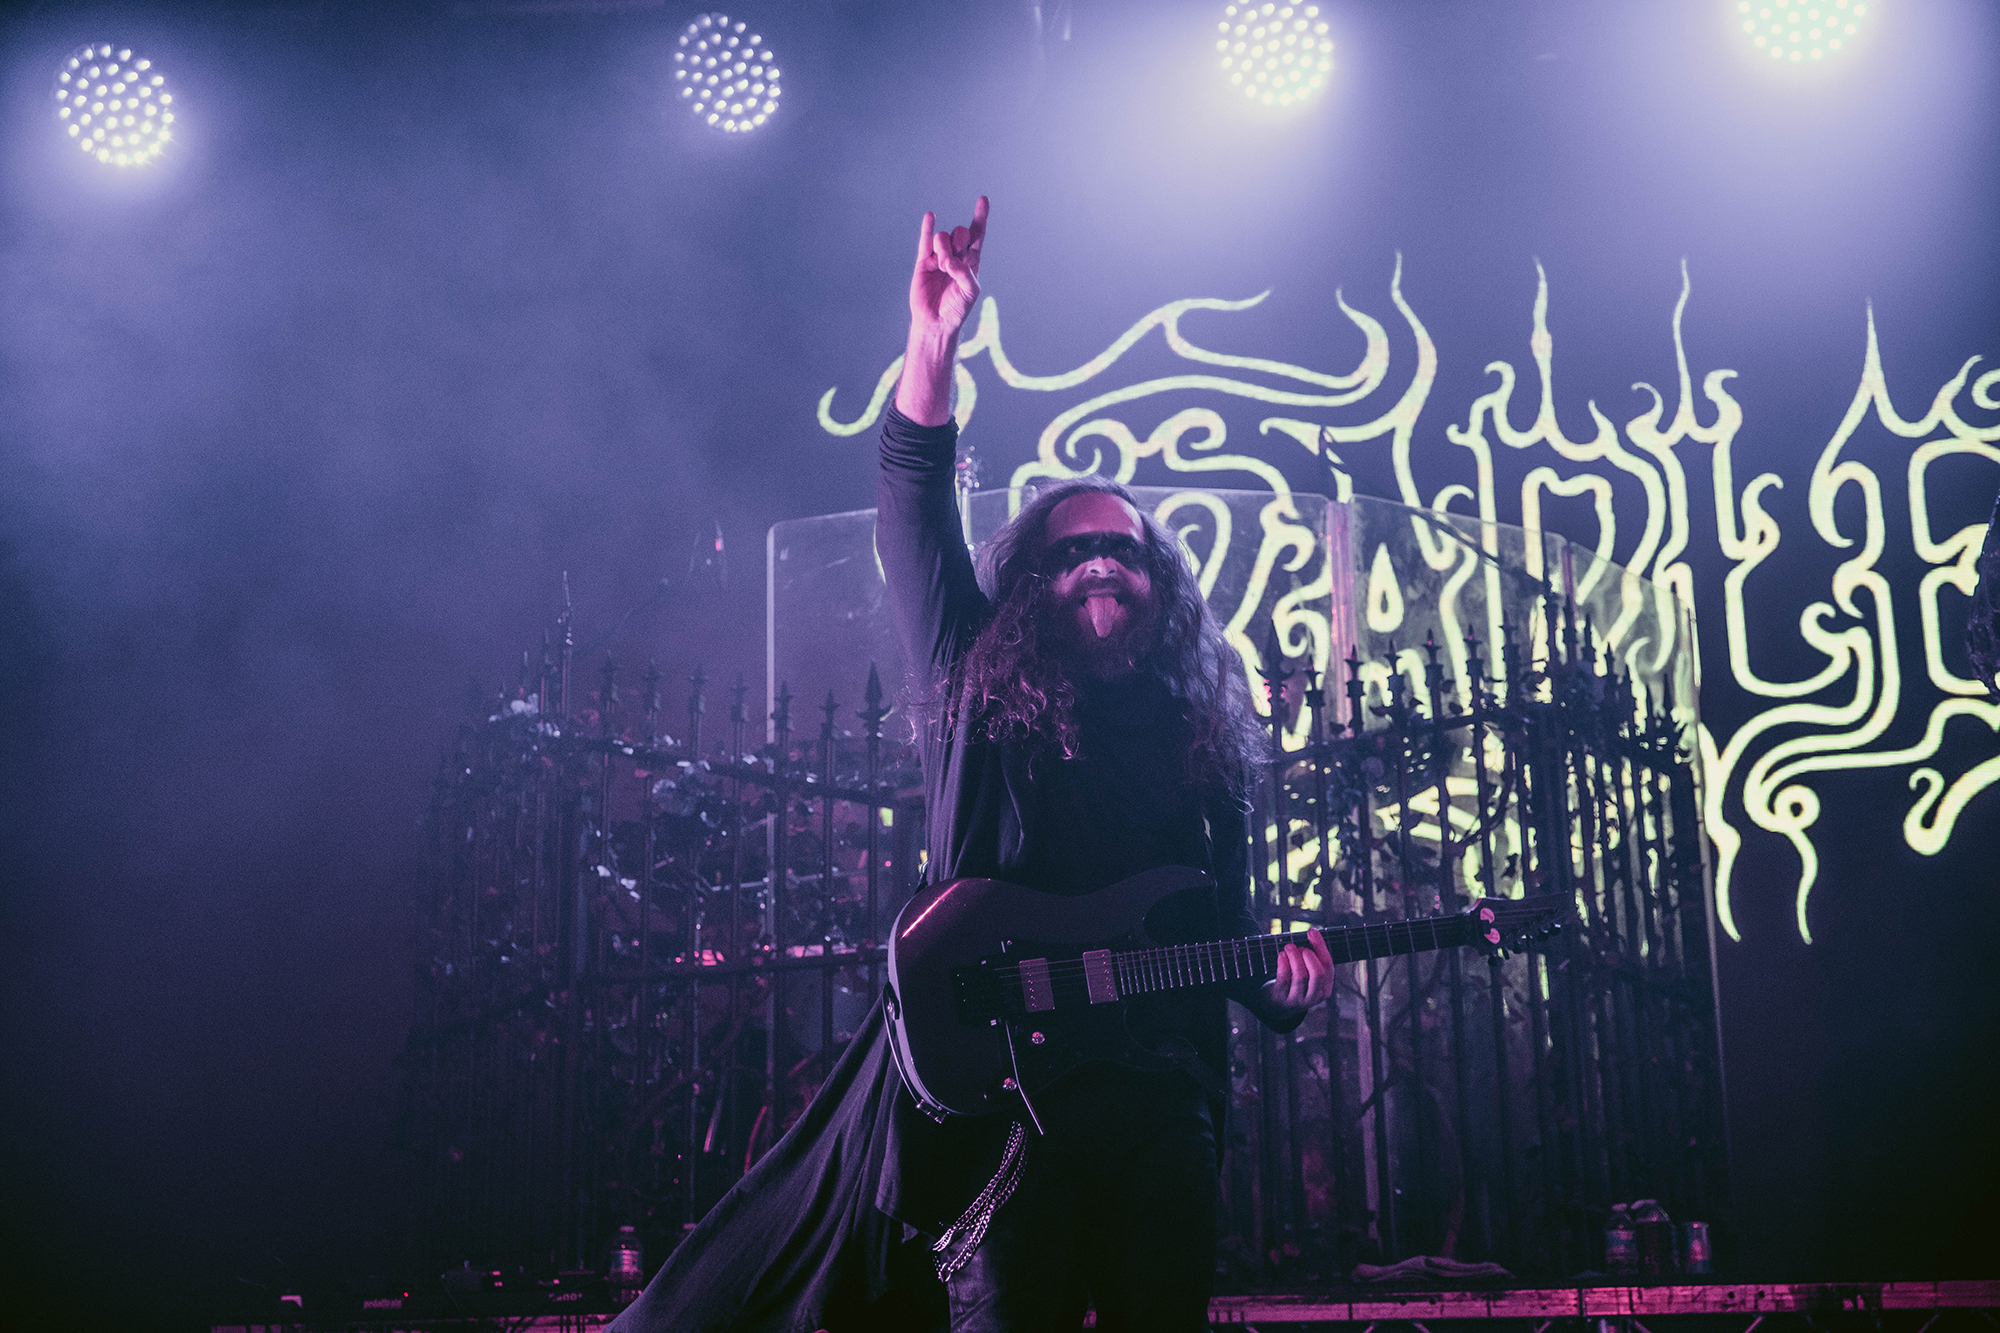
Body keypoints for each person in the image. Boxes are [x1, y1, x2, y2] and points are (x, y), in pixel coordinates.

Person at [609, 197, 1333, 1333]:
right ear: (1029, 583)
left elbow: (1221, 923)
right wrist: (932, 341)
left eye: (1124, 549)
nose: (1101, 564)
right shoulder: (975, 681)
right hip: (1008, 1108)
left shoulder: (1202, 736)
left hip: (1161, 1102)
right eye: (1073, 551)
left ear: (1160, 581)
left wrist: (1278, 986)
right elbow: (911, 512)